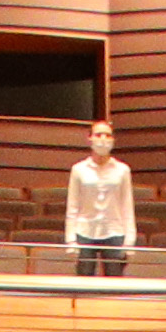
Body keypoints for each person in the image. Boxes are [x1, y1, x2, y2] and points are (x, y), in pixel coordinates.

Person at [62, 117, 138, 272]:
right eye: (98, 135)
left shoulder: (123, 170)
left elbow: (127, 206)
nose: (103, 139)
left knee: (115, 284)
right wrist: (70, 239)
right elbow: (72, 206)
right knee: (84, 284)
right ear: (89, 139)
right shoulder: (78, 169)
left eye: (107, 135)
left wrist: (130, 239)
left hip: (115, 231)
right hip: (85, 231)